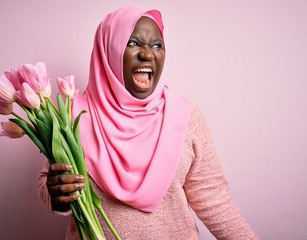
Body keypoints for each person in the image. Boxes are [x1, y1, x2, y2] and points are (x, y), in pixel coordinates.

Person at [38, 6, 259, 240]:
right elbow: (49, 182)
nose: (147, 54)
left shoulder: (185, 116)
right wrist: (56, 195)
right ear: (108, 51)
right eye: (133, 43)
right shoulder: (73, 116)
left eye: (157, 45)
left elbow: (215, 201)